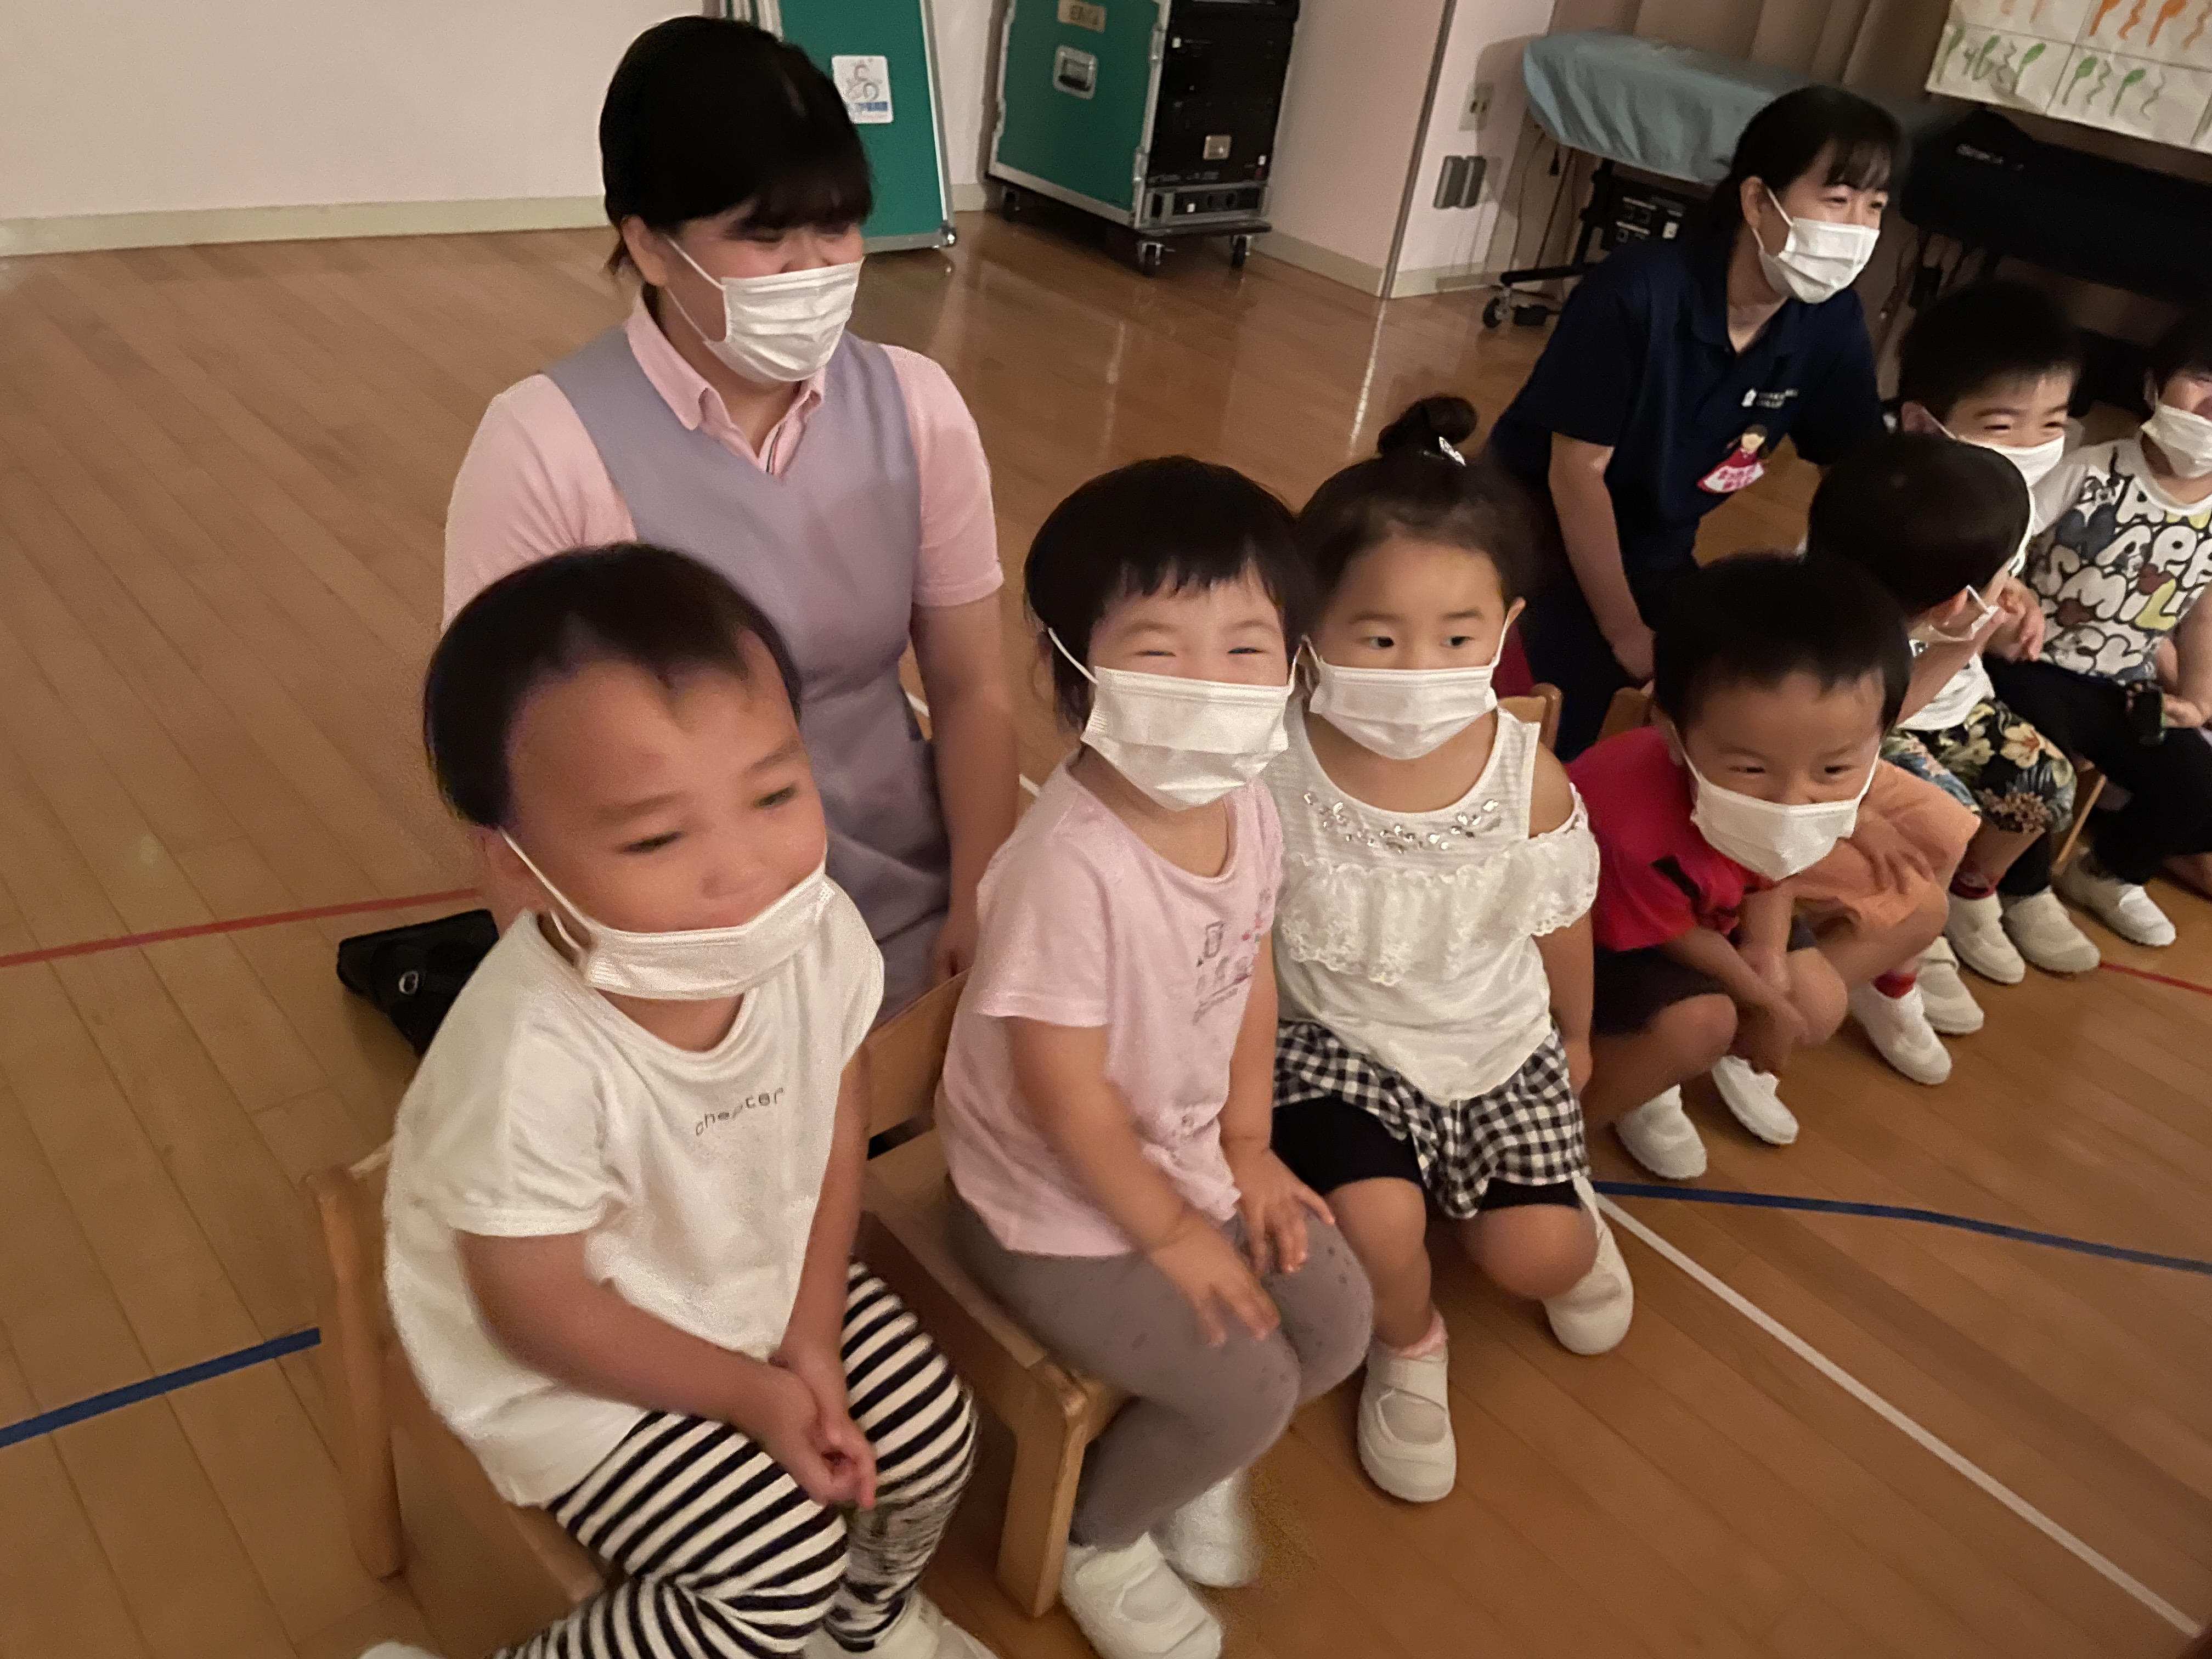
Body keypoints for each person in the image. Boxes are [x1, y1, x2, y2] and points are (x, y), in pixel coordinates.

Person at [368, 546, 992, 1659]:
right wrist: (748, 1393)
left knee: (935, 1439)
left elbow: (834, 1128)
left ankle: (866, 1625)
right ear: (513, 865)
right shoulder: (524, 1062)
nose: (741, 870)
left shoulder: (811, 934)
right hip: (574, 1369)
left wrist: (807, 1335)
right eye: (658, 835)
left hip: (749, 1273)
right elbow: (537, 1311)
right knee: (778, 1566)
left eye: (775, 793)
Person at [443, 16, 1017, 1018]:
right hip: (688, 937)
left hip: (906, 895)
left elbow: (973, 690)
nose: (813, 269)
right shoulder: (546, 443)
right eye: (763, 236)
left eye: (836, 229)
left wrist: (982, 895)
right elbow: (510, 784)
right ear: (648, 245)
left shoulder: (916, 405)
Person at [935, 460, 1373, 1659]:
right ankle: (1100, 1536)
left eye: (1246, 649)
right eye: (1157, 651)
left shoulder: (1249, 804)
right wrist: (1177, 1233)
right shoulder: (1069, 868)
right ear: (1067, 667)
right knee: (1251, 1381)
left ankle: (1196, 1453)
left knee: (1339, 1321)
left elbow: (1248, 974)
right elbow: (1063, 1099)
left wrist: (1249, 1147)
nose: (1208, 687)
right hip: (1045, 1205)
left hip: (1186, 1157)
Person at [1262, 397, 1633, 1508]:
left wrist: (1574, 1033)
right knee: (1377, 1227)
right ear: (1308, 623)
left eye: (1458, 638)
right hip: (1334, 1048)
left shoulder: (1526, 776)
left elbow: (1558, 916)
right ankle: (1410, 1339)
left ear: (1505, 625)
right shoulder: (1270, 762)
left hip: (1496, 1040)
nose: (1418, 667)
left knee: (1539, 1258)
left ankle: (1557, 1200)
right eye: (1378, 638)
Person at [1486, 86, 1902, 755]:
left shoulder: (1829, 321)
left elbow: (1861, 475)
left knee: (1735, 704)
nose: (1857, 227)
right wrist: (1626, 633)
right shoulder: (1638, 290)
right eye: (1837, 198)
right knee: (1588, 733)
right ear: (1757, 200)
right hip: (1531, 544)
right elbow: (1576, 473)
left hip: (1658, 555)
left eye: (1874, 206)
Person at [1570, 555, 1918, 1180]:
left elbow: (1774, 868)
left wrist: (1766, 950)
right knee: (1703, 1024)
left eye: (1834, 769)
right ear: (1674, 736)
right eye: (1753, 769)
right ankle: (1581, 1132)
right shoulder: (1629, 827)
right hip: (1609, 934)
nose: (1794, 800)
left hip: (1709, 910)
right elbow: (1667, 930)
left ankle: (1677, 1064)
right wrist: (1760, 999)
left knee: (1816, 1005)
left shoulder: (1797, 787)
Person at [1889, 281, 2101, 990]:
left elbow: (1997, 591)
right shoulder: (1884, 513)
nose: (2033, 447)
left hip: (1958, 698)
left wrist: (2018, 604)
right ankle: (1904, 935)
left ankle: (1969, 895)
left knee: (2048, 781)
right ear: (1924, 425)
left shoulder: (2011, 509)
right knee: (1944, 810)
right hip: (1881, 711)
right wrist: (1958, 634)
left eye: (2052, 424)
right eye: (2004, 425)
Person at [1988, 299, 2212, 946]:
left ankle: (2110, 873)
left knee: (2196, 781)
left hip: (2126, 685)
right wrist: (2008, 606)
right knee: (2043, 753)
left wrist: (2198, 699)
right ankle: (2020, 886)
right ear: (2153, 387)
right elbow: (2009, 539)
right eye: (2202, 380)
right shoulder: (2092, 469)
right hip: (2035, 662)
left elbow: (2202, 612)